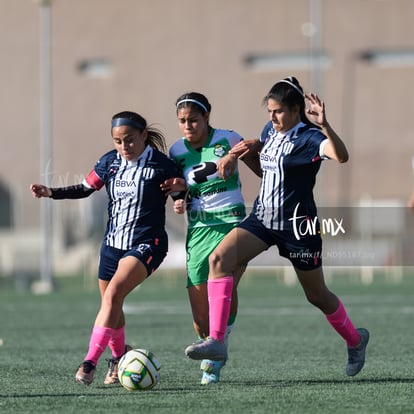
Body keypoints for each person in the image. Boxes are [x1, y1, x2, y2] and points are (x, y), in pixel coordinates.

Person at [184, 77, 370, 377]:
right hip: (262, 219)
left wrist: (325, 125)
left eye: (278, 111)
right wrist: (244, 154)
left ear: (296, 110)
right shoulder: (269, 131)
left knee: (317, 295)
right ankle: (216, 342)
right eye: (269, 111)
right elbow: (267, 172)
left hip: (297, 227)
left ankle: (355, 339)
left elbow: (341, 156)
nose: (272, 117)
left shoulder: (310, 137)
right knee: (219, 260)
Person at [30, 111, 183, 386]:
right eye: (118, 141)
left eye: (130, 139)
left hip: (148, 242)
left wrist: (181, 196)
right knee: (111, 304)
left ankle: (89, 363)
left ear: (144, 136)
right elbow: (86, 187)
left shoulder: (162, 165)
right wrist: (52, 192)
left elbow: (181, 194)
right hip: (112, 245)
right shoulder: (109, 162)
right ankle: (117, 359)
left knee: (113, 294)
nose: (124, 146)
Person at [162, 92, 250, 384]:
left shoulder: (228, 138)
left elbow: (262, 162)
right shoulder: (176, 151)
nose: (188, 126)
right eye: (182, 121)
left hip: (231, 223)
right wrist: (179, 198)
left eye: (194, 120)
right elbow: (179, 189)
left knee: (222, 282)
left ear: (207, 116)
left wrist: (234, 155)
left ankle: (215, 353)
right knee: (200, 318)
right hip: (198, 230)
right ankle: (213, 339)